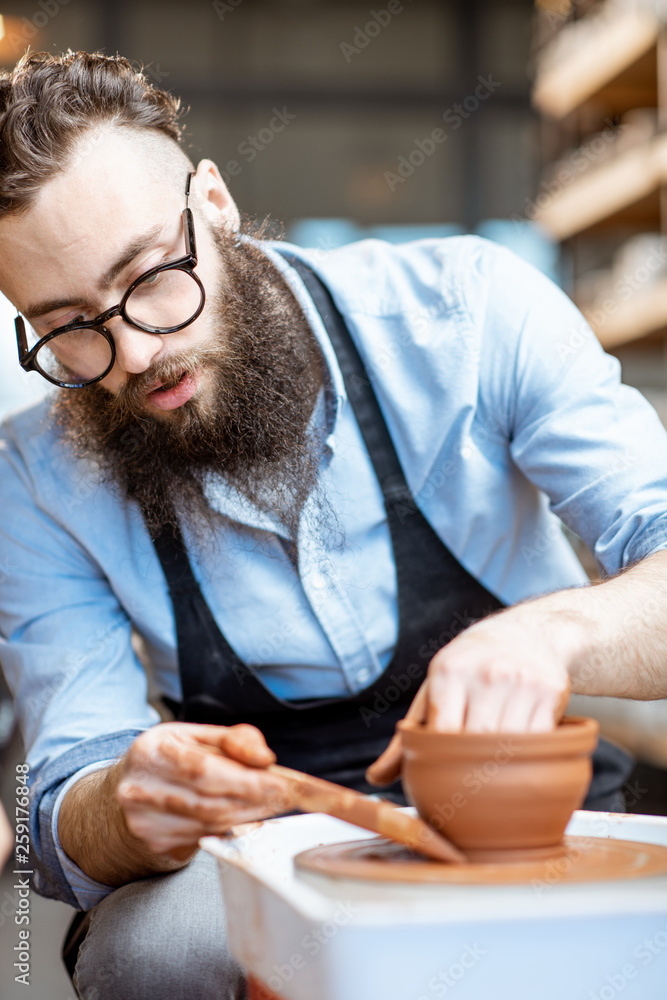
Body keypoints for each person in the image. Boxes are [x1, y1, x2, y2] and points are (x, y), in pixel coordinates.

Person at [1, 49, 667, 998]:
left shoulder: (468, 314)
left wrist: (556, 632)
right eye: (69, 325)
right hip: (249, 841)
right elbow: (50, 817)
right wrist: (122, 803)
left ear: (216, 203)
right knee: (143, 953)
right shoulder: (32, 480)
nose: (135, 352)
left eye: (152, 275)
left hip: (518, 799)